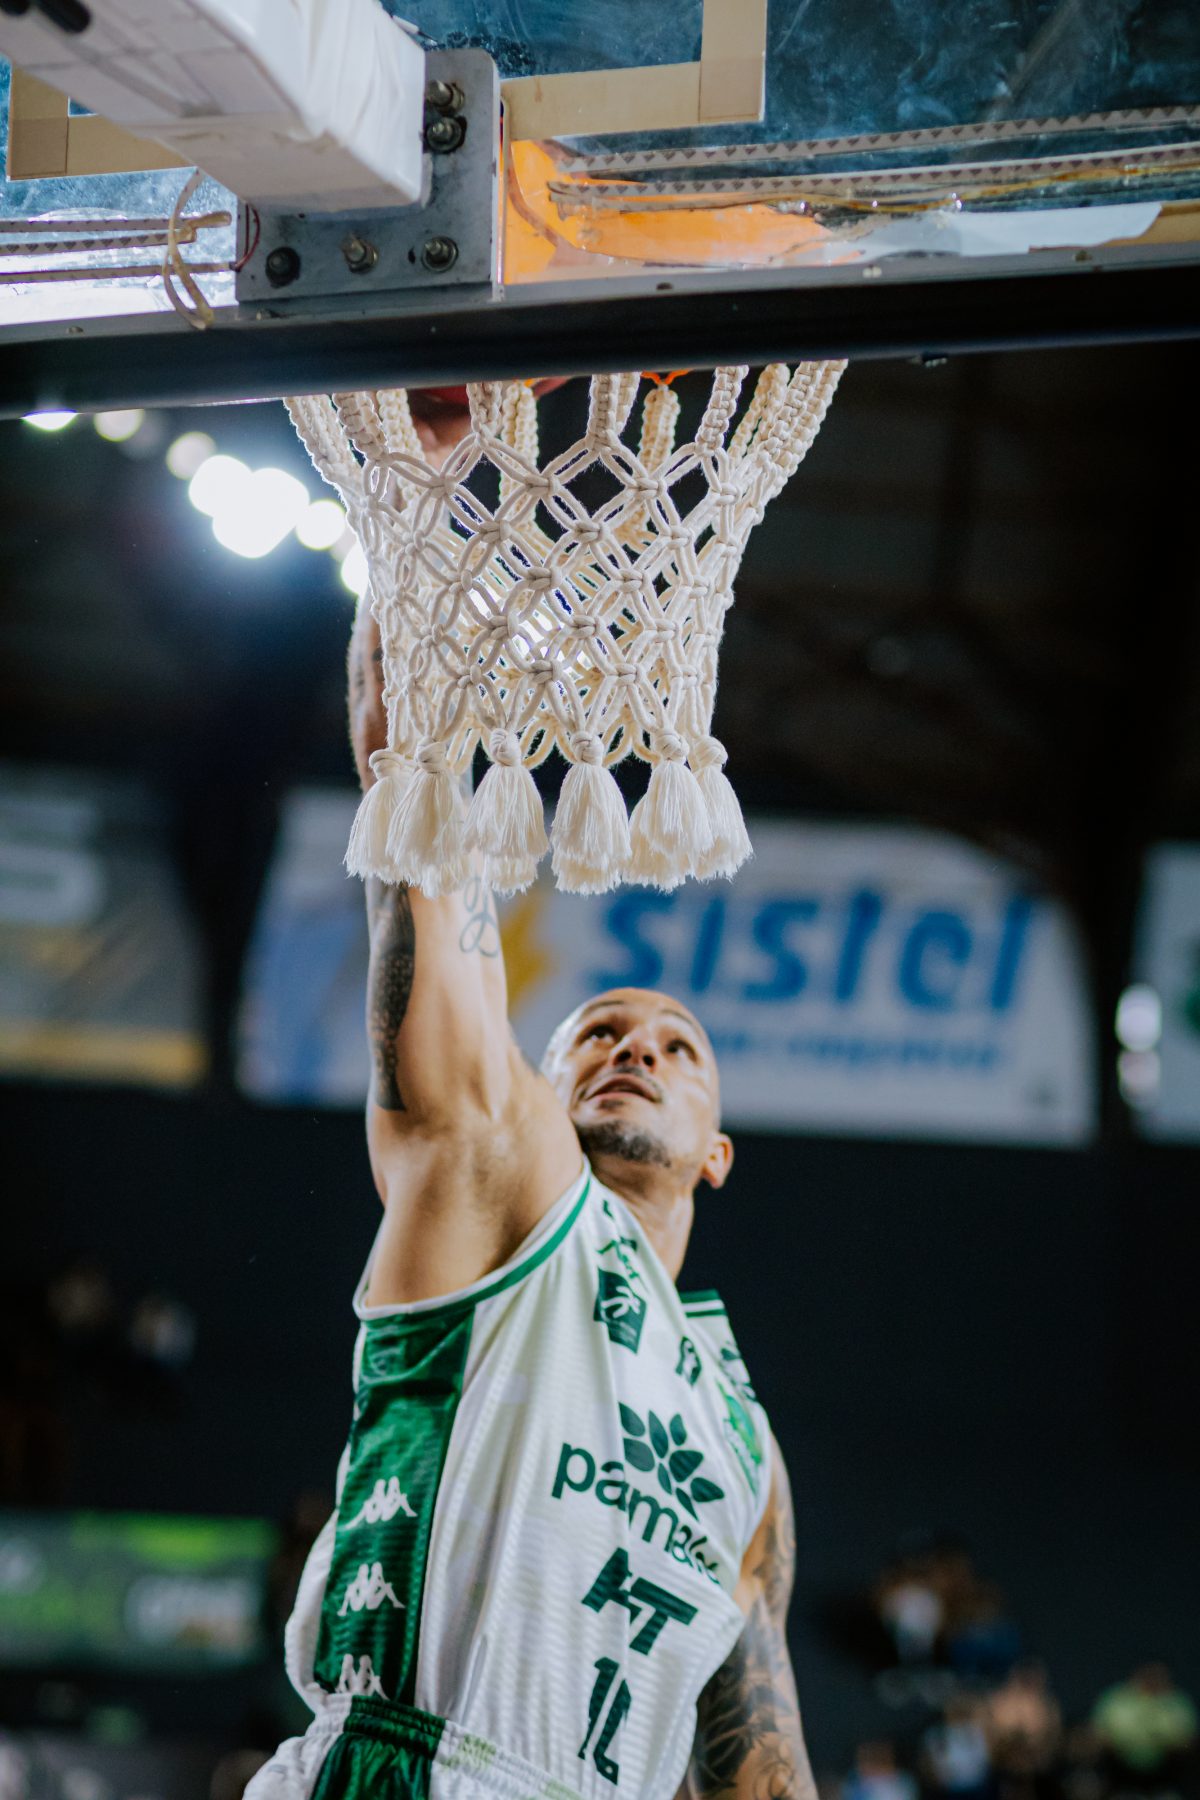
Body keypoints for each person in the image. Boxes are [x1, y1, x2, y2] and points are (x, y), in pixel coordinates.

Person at [249, 396, 816, 1800]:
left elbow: (756, 1739)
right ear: (544, 1097)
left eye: (679, 1047)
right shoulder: (503, 1174)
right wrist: (424, 519)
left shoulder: (743, 1440)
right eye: (597, 1033)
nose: (636, 1049)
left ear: (719, 1153)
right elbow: (419, 839)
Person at [1091, 1663, 1198, 1795]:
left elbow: (1187, 1739)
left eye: (1157, 1676)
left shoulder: (1177, 1702)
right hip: (1119, 1768)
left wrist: (1158, 1743)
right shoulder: (1116, 1699)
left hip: (1168, 1769)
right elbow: (1100, 1735)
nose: (1152, 1680)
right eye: (1148, 1675)